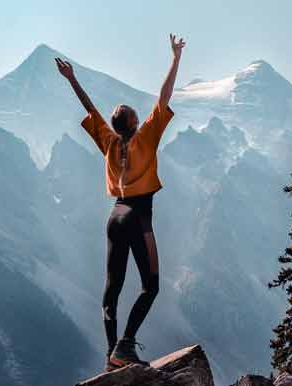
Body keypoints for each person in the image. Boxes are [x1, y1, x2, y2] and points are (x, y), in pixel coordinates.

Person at [55, 34, 185, 371]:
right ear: (134, 123)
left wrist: (72, 79)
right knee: (151, 285)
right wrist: (175, 58)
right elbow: (165, 95)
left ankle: (111, 356)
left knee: (112, 289)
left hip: (114, 217)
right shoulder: (146, 137)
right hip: (139, 218)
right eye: (132, 112)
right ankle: (125, 345)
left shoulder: (109, 143)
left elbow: (90, 108)